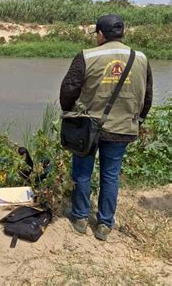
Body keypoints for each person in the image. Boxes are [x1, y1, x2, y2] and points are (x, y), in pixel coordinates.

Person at [59, 14, 153, 241]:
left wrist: (71, 112)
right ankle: (104, 224)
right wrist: (138, 119)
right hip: (122, 128)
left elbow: (68, 89)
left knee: (82, 171)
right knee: (111, 175)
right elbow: (147, 95)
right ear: (122, 34)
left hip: (87, 127)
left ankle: (80, 218)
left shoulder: (87, 56)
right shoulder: (140, 58)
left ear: (100, 34)